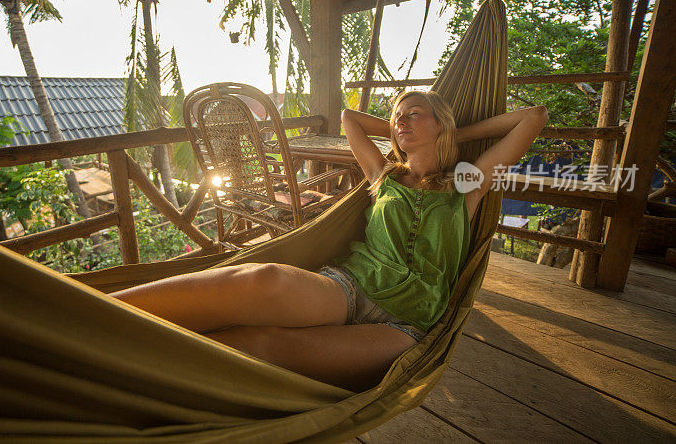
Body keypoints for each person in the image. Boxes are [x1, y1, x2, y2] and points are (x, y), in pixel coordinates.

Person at [111, 91, 548, 391]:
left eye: (413, 113)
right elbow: (350, 119)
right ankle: (102, 318)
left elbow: (533, 118)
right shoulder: (383, 175)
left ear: (442, 123)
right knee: (261, 278)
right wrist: (411, 130)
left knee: (262, 346)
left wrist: (453, 134)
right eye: (396, 116)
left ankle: (131, 373)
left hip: (405, 323)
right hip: (350, 287)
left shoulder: (467, 185)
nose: (399, 120)